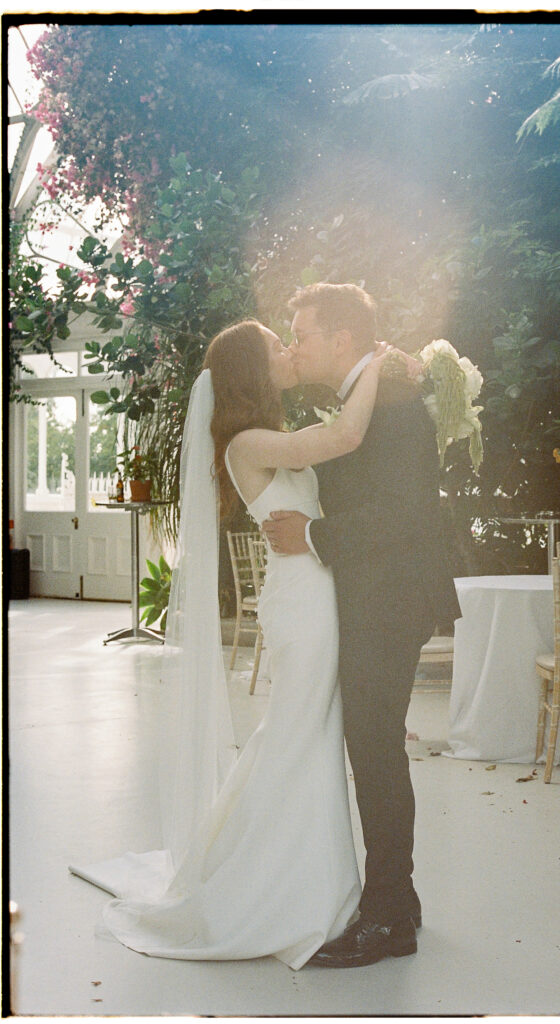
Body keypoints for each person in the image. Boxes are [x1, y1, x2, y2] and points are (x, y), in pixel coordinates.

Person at [69, 318, 397, 970]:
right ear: (252, 367)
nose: (287, 349)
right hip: (302, 608)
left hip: (313, 597)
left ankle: (301, 885)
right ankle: (284, 894)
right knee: (300, 738)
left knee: (302, 737)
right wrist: (378, 362)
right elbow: (346, 436)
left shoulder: (264, 437)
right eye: (276, 344)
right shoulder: (247, 443)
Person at [262, 283, 461, 968]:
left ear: (343, 339)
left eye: (302, 331)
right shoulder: (370, 394)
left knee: (376, 754)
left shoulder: (396, 405)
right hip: (377, 600)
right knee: (373, 751)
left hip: (390, 601)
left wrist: (314, 533)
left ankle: (386, 919)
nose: (294, 343)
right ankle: (397, 902)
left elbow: (404, 518)